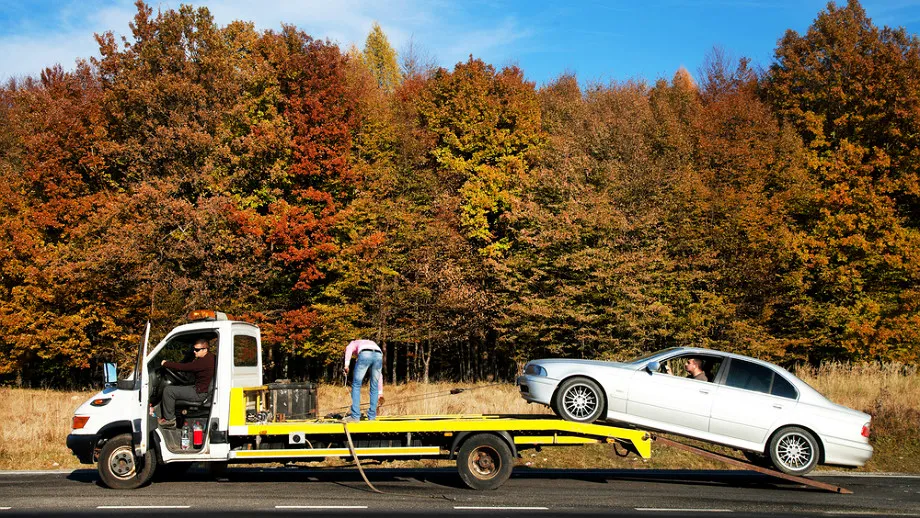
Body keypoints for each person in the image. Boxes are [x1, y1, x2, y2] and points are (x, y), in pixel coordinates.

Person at [158, 338, 215, 429]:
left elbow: (184, 367)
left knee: (168, 391)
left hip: (199, 393)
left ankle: (170, 420)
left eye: (197, 350)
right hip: (201, 389)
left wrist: (165, 363)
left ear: (205, 350)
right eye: (194, 349)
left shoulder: (204, 362)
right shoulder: (211, 358)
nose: (194, 351)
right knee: (178, 388)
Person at [342, 339, 383, 423]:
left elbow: (349, 349)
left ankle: (355, 416)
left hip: (365, 354)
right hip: (379, 354)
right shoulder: (371, 342)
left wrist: (346, 365)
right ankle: (372, 417)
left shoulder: (353, 343)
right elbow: (379, 376)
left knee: (356, 385)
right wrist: (380, 392)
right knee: (374, 386)